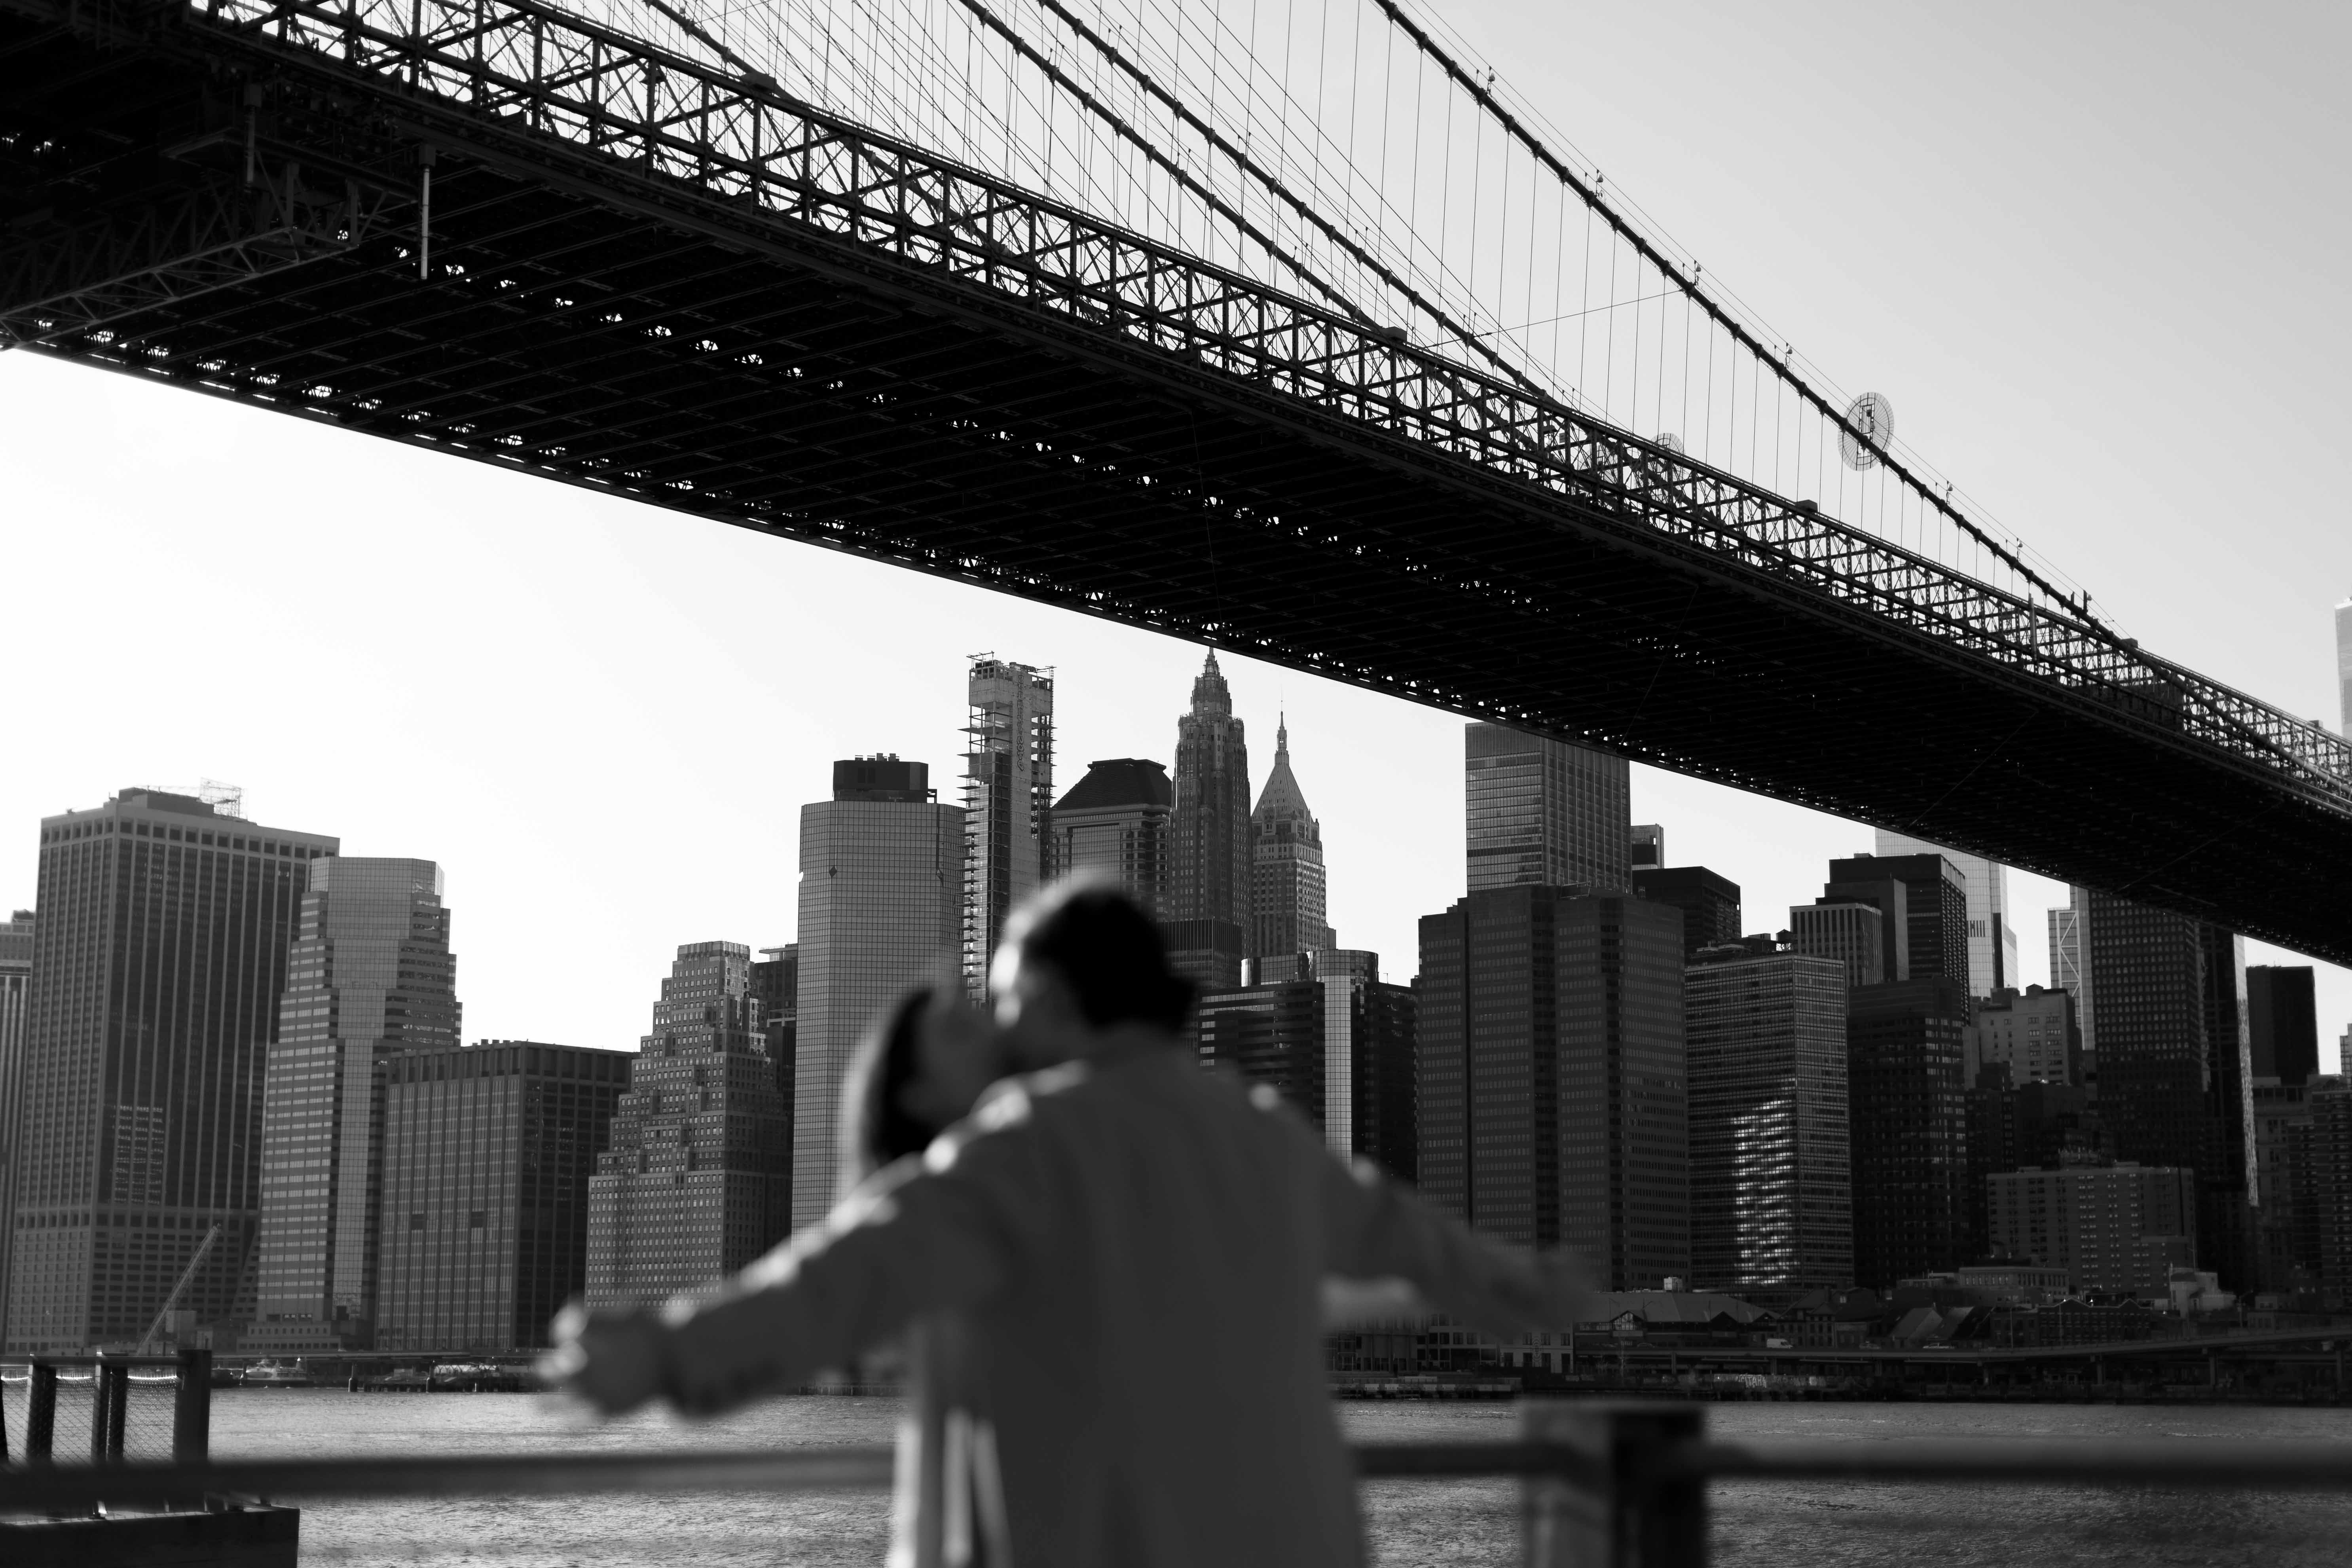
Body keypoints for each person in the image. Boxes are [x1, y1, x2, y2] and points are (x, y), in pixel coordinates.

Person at [548, 878, 1592, 1568]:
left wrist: (662, 1351)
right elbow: (1412, 1237)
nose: (998, 1024)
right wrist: (1525, 1288)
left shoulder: (1028, 1147)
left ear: (1047, 995)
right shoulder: (1266, 1135)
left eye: (1003, 998)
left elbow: (842, 1281)